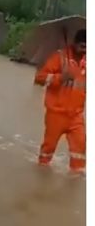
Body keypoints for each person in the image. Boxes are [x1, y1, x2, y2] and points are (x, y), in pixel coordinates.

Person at [33, 29, 86, 173]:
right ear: (74, 44)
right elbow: (39, 78)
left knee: (80, 149)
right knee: (48, 150)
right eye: (82, 46)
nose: (85, 51)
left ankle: (76, 177)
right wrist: (60, 78)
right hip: (56, 113)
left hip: (76, 116)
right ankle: (41, 173)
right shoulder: (59, 57)